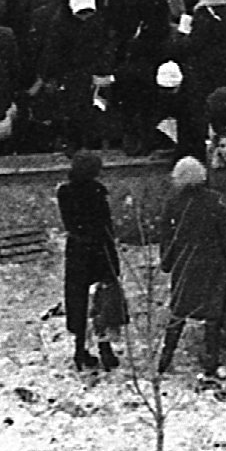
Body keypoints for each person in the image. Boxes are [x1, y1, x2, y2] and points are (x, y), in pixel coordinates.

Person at [158, 153, 226, 378]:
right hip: (212, 263)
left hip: (185, 263)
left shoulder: (173, 202)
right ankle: (211, 359)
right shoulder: (216, 200)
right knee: (213, 315)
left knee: (179, 310)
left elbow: (166, 235)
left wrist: (167, 261)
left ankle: (165, 356)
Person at [58, 149, 125, 372]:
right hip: (98, 252)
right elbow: (105, 227)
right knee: (102, 300)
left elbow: (71, 224)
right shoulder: (96, 193)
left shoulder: (64, 192)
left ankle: (80, 350)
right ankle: (105, 349)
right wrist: (112, 260)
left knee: (79, 302)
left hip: (77, 252)